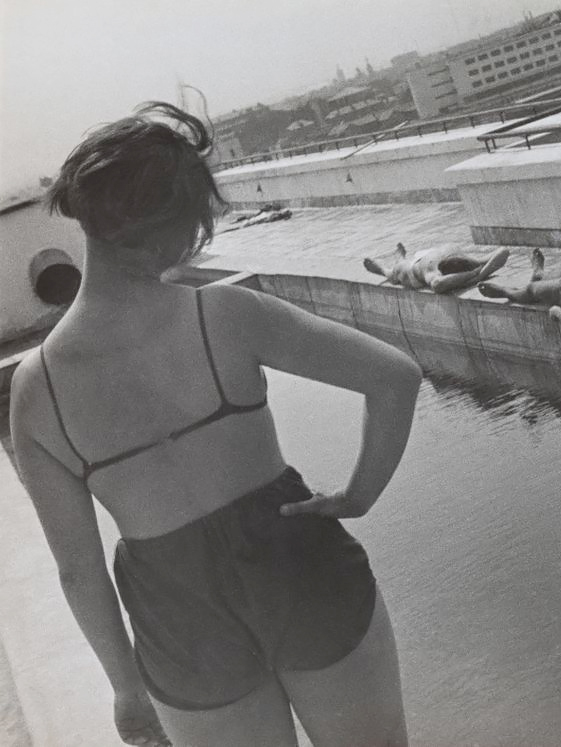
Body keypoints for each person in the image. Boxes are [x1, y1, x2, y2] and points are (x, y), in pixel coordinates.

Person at [9, 102, 421, 747]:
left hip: (179, 619)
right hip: (300, 568)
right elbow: (395, 378)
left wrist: (124, 687)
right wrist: (357, 496)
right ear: (179, 225)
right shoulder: (225, 316)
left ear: (87, 221)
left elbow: (77, 570)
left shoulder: (36, 391)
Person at [363, 242, 510, 293]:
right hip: (414, 268)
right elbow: (438, 285)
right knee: (395, 274)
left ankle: (400, 255)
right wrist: (473, 277)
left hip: (433, 253)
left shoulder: (467, 260)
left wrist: (481, 274)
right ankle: (383, 267)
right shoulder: (433, 272)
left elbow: (504, 251)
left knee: (400, 266)